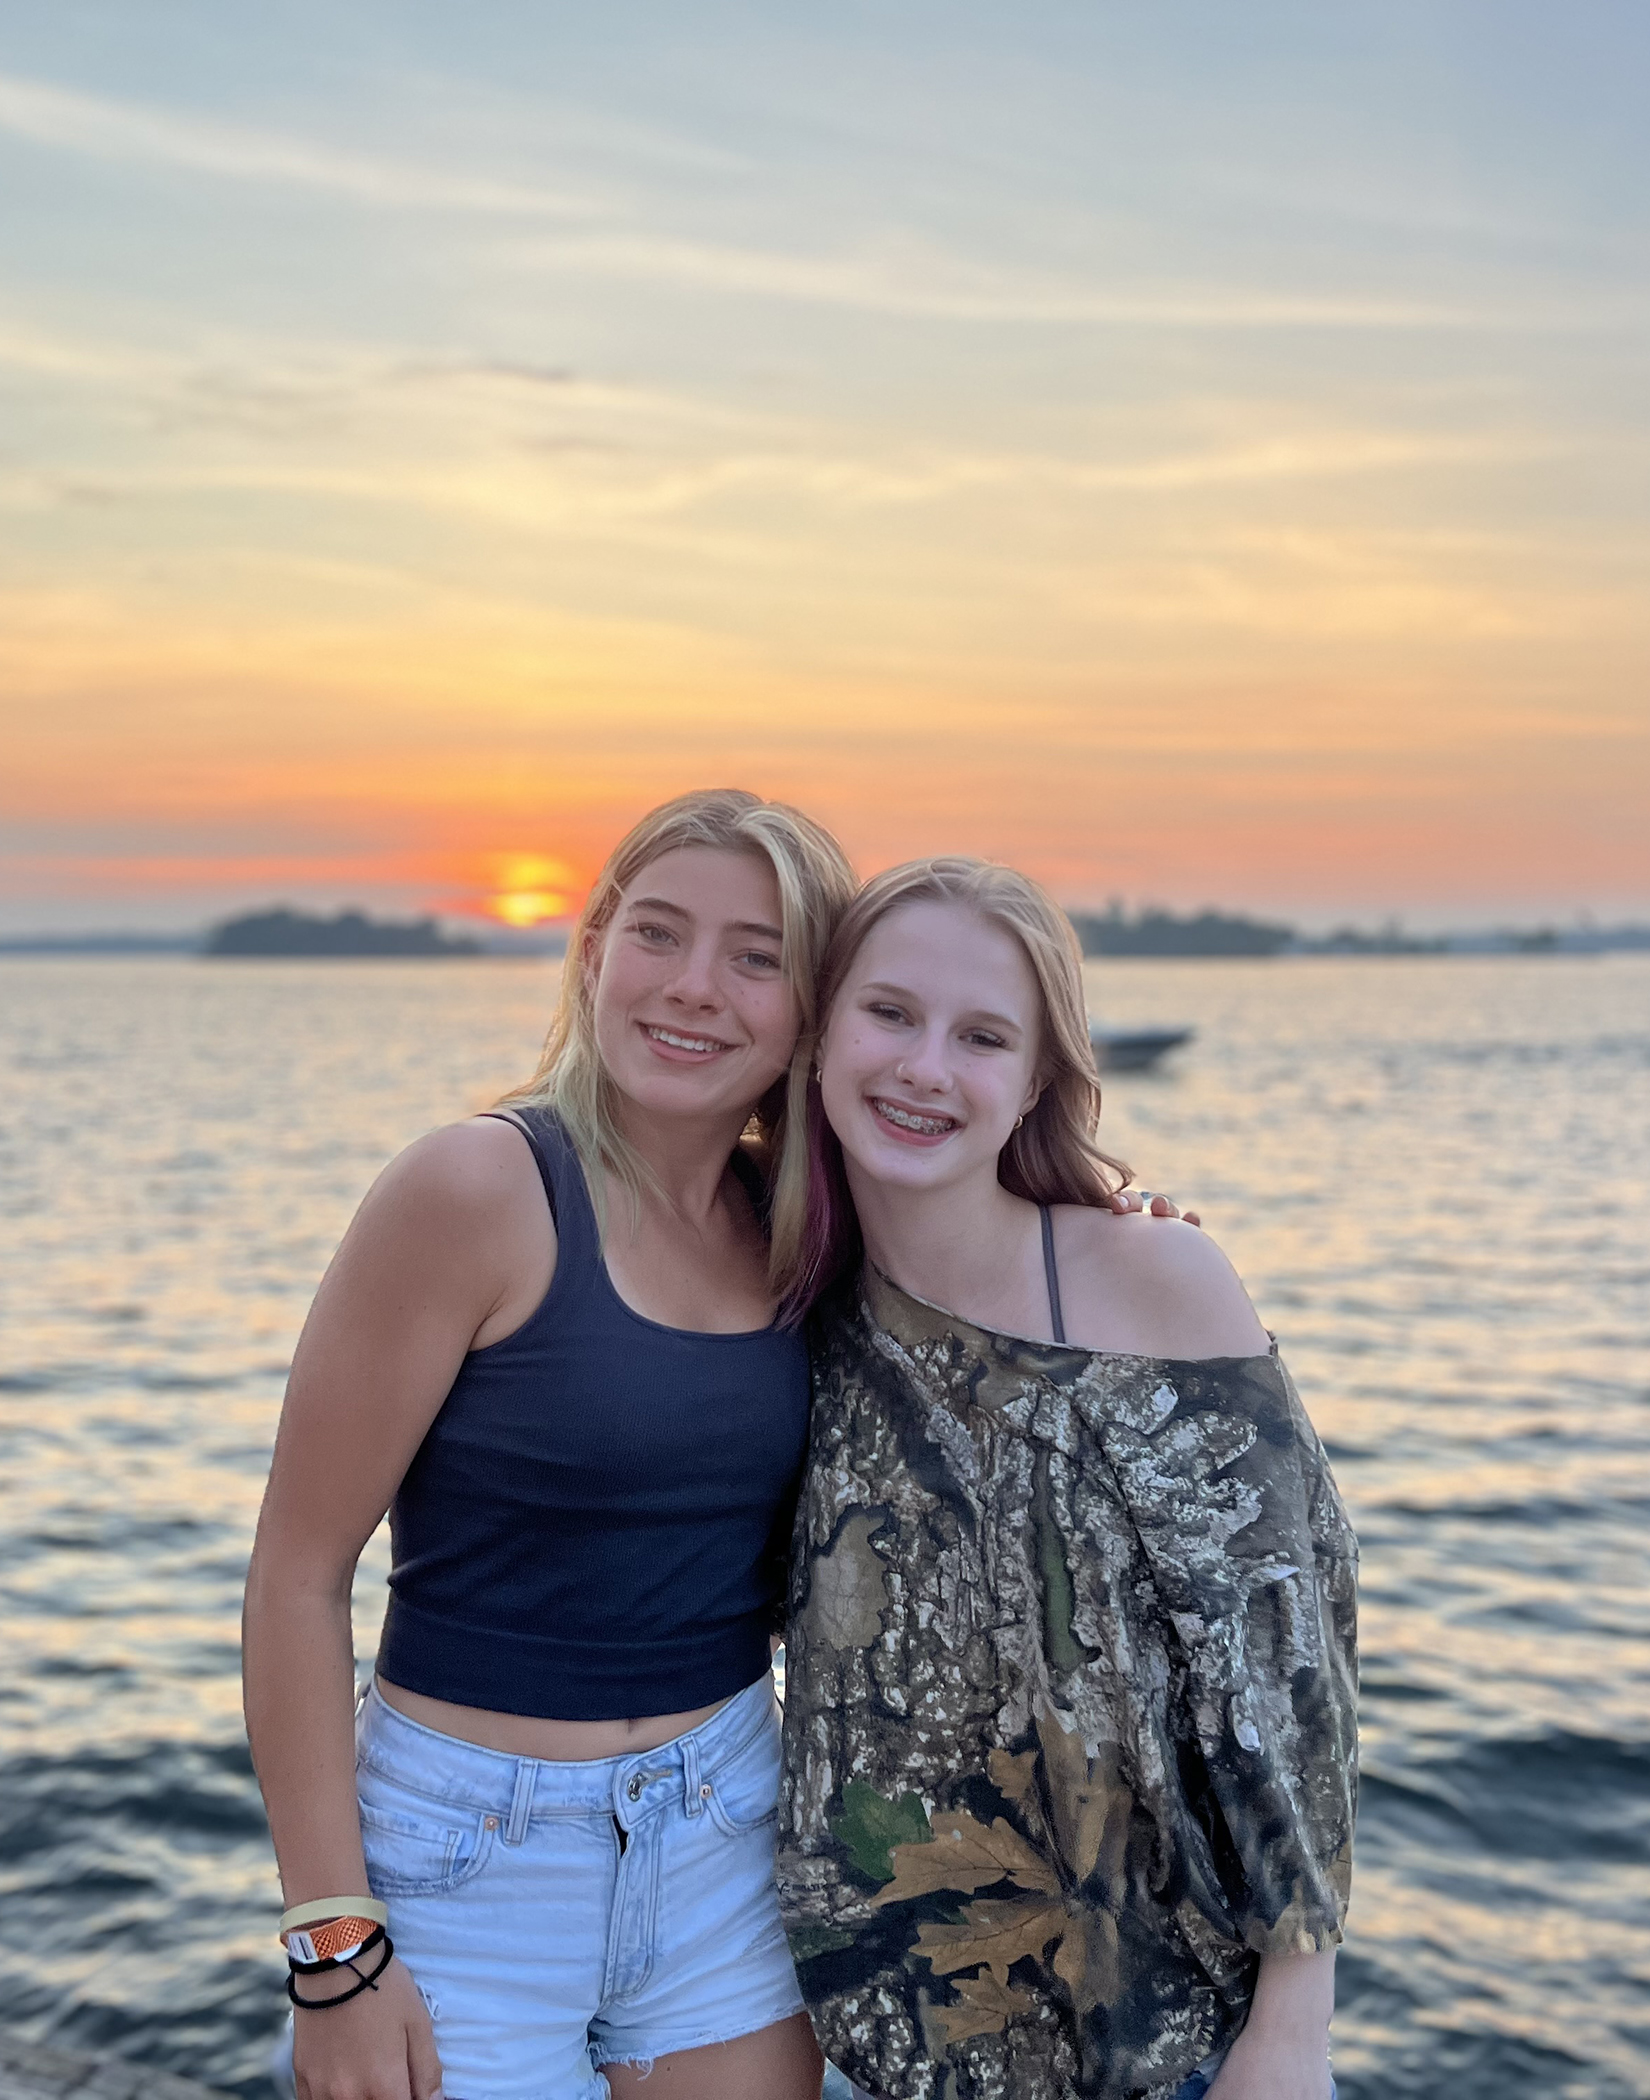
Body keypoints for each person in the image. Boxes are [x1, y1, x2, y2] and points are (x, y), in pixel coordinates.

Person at [242, 789, 855, 2100]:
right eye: (658, 933)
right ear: (593, 953)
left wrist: (1125, 1228)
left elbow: (1004, 1257)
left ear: (811, 1011)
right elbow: (297, 1573)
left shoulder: (805, 1223)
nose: (693, 986)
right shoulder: (473, 1191)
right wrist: (333, 1946)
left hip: (727, 1835)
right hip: (466, 1862)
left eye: (756, 957)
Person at [775, 858, 1358, 2100]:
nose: (925, 1067)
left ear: (1037, 1079)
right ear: (820, 1033)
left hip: (1168, 2042)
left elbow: (1285, 1670)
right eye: (890, 1013)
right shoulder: (783, 1299)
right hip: (877, 2043)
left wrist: (1293, 2028)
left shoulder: (1156, 1282)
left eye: (982, 1037)